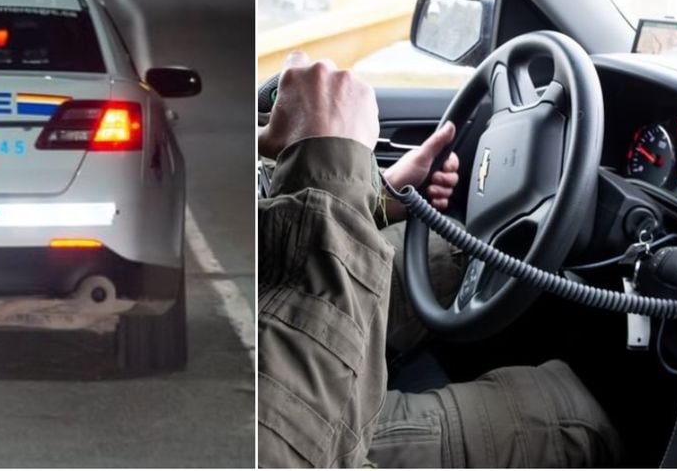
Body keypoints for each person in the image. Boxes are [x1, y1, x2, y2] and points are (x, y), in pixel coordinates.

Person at [257, 52, 622, 468]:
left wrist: (379, 196)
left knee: (457, 249)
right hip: (290, 433)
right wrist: (328, 161)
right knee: (571, 419)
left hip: (267, 301)